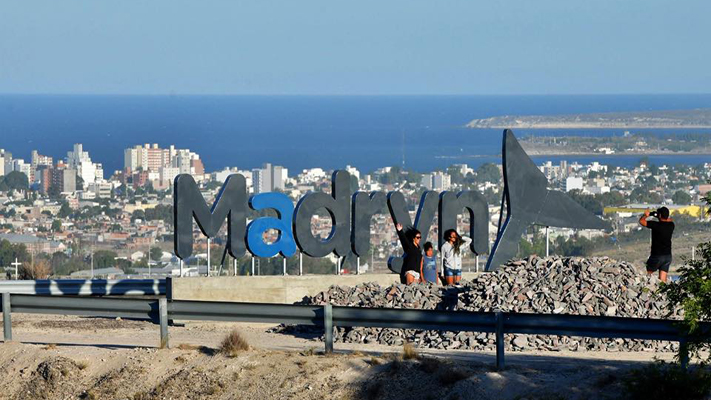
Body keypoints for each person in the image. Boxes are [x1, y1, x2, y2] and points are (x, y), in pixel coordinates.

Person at [639, 207, 675, 282]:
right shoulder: (671, 225)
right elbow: (669, 220)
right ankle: (663, 291)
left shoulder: (656, 225)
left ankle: (646, 285)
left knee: (648, 271)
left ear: (660, 215)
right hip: (668, 256)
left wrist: (646, 215)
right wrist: (659, 216)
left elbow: (642, 221)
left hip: (657, 255)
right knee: (662, 279)